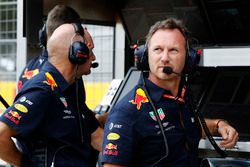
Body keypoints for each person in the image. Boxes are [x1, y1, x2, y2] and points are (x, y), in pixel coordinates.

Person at [101, 18, 239, 167]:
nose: (165, 58)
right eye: (158, 49)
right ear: (145, 56)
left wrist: (219, 124)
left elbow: (188, 126)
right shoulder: (127, 111)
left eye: (173, 50)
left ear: (188, 58)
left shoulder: (180, 100)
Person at [0, 23, 103, 166]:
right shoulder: (43, 90)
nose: (93, 57)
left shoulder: (70, 89)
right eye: (90, 51)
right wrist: (26, 165)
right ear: (77, 53)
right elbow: (1, 135)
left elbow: (96, 136)